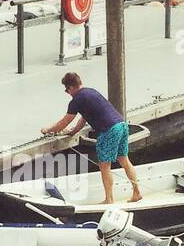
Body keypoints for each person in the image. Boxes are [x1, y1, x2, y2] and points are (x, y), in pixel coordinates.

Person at [40, 72, 141, 205]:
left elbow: (65, 122)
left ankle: (109, 199)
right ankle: (136, 192)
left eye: (66, 89)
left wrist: (48, 130)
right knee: (125, 161)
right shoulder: (91, 92)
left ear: (71, 87)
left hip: (108, 130)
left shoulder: (76, 100)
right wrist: (74, 132)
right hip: (121, 125)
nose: (67, 92)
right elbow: (84, 117)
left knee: (105, 166)